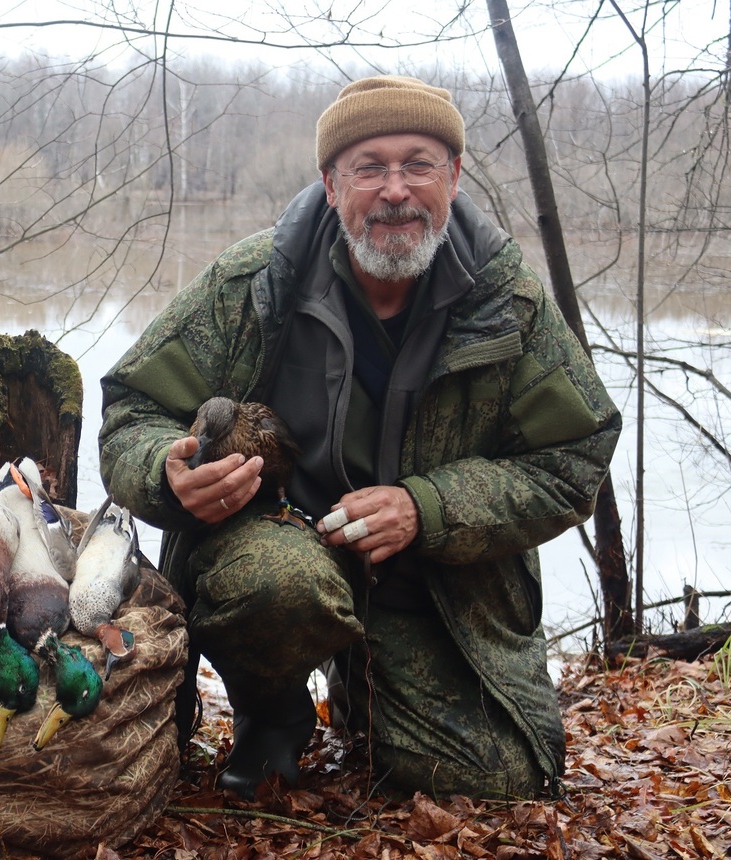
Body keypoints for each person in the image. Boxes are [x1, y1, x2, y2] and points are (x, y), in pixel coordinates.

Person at [98, 75, 621, 801]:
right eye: (369, 167)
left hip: (430, 584)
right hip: (281, 554)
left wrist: (428, 507)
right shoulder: (256, 284)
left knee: (497, 781)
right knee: (276, 585)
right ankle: (273, 713)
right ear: (331, 182)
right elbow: (131, 407)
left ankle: (365, 693)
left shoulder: (509, 303)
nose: (395, 190)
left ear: (455, 176)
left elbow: (575, 455)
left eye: (418, 164)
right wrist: (167, 472)